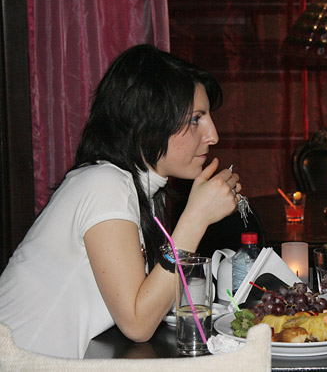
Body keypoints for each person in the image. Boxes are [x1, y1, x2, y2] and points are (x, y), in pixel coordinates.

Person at [0, 44, 241, 358]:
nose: (213, 136)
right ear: (147, 122)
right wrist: (195, 218)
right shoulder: (104, 184)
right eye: (196, 119)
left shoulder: (139, 191)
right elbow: (138, 323)